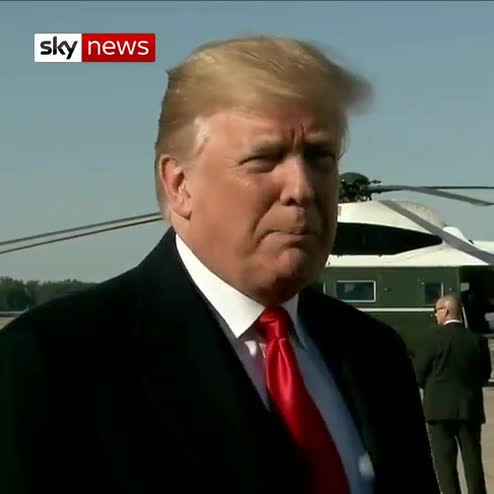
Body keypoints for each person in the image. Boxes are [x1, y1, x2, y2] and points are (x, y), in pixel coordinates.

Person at [0, 35, 440, 494]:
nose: (302, 188)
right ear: (179, 184)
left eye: (320, 157)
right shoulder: (55, 365)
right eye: (264, 159)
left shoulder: (375, 354)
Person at [415, 294, 492, 494]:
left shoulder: (432, 339)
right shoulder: (476, 340)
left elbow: (418, 373)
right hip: (469, 408)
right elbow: (484, 374)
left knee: (445, 464)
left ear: (446, 311)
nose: (435, 315)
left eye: (436, 311)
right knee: (473, 460)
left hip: (438, 410)